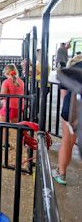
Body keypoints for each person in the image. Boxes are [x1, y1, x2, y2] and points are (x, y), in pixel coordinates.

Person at [51, 56, 82, 185]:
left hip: (72, 111)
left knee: (67, 141)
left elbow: (64, 94)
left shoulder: (75, 68)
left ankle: (61, 172)